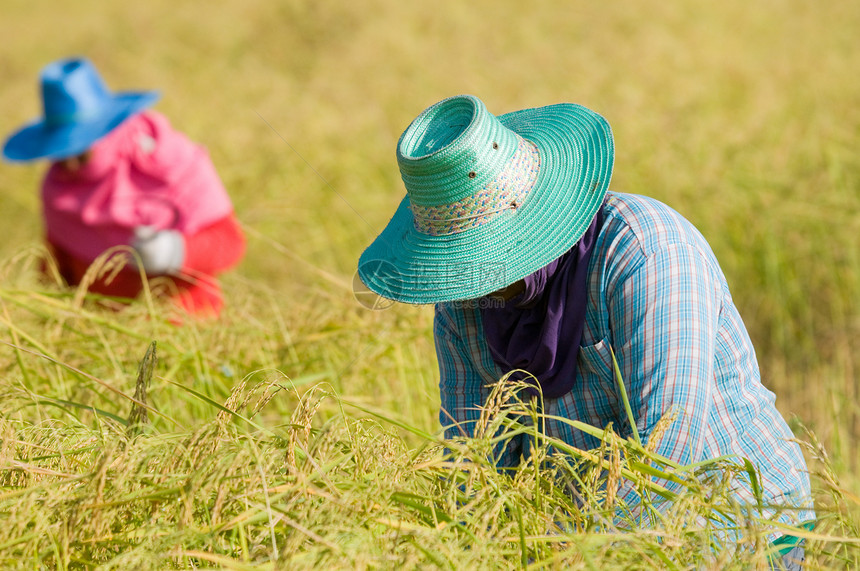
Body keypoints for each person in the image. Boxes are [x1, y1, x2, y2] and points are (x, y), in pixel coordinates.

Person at [357, 94, 814, 567]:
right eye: (460, 263)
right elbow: (474, 456)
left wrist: (588, 558)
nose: (473, 283)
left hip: (733, 524)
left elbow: (667, 452)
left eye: (481, 257)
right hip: (579, 537)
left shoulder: (645, 255)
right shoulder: (462, 302)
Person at [2, 57, 245, 317]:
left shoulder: (172, 162)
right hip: (105, 338)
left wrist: (177, 251)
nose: (71, 166)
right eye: (61, 156)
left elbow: (231, 243)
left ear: (106, 134)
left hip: (187, 328)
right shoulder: (58, 189)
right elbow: (55, 270)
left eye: (81, 154)